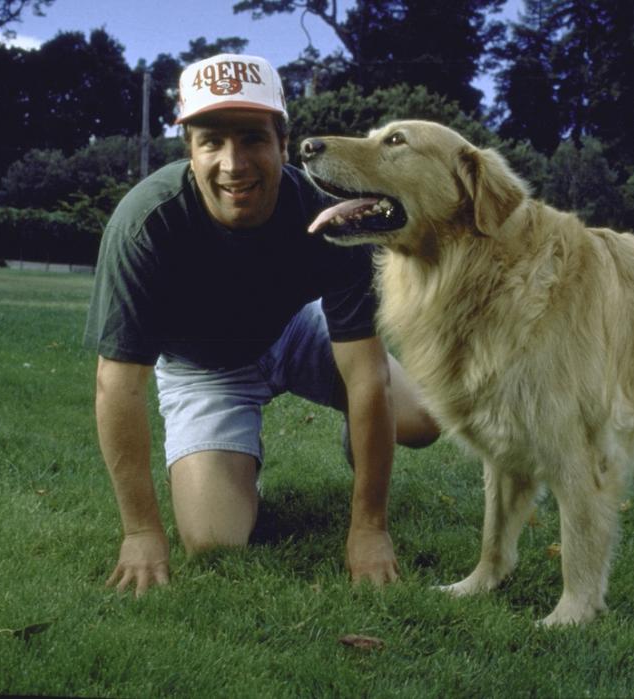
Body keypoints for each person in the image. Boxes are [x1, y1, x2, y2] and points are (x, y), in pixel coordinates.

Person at [84, 53, 439, 597]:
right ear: (190, 150)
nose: (233, 163)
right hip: (204, 369)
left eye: (251, 138)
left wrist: (369, 526)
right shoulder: (146, 224)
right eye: (212, 141)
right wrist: (141, 531)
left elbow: (367, 374)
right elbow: (117, 385)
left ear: (281, 141)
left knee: (421, 419)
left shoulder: (328, 212)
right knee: (213, 539)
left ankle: (361, 439)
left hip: (295, 331)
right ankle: (236, 465)